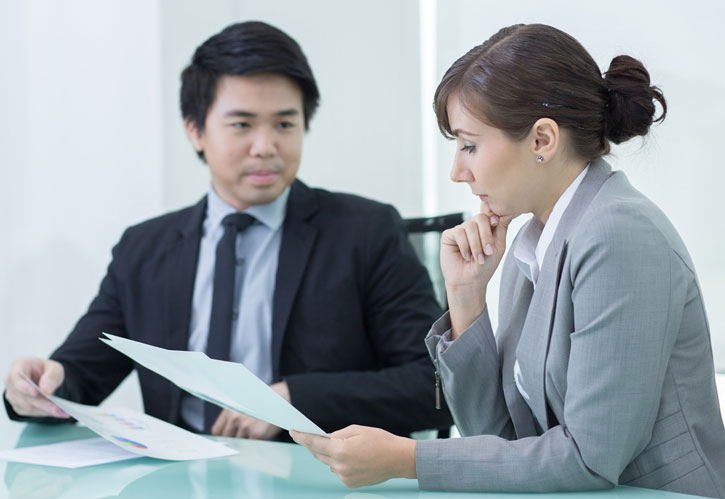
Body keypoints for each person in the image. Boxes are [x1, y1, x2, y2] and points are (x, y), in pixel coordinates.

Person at [291, 23, 725, 497]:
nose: (458, 171)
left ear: (542, 140)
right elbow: (500, 441)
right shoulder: (536, 239)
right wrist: (465, 295)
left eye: (469, 145)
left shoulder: (619, 233)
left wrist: (406, 459)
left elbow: (589, 458)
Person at [3, 21, 452, 440]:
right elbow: (83, 373)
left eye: (284, 124)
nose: (265, 147)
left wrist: (291, 401)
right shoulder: (144, 248)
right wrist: (43, 382)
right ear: (196, 131)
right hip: (179, 480)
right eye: (241, 124)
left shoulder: (366, 232)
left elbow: (435, 388)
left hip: (310, 475)